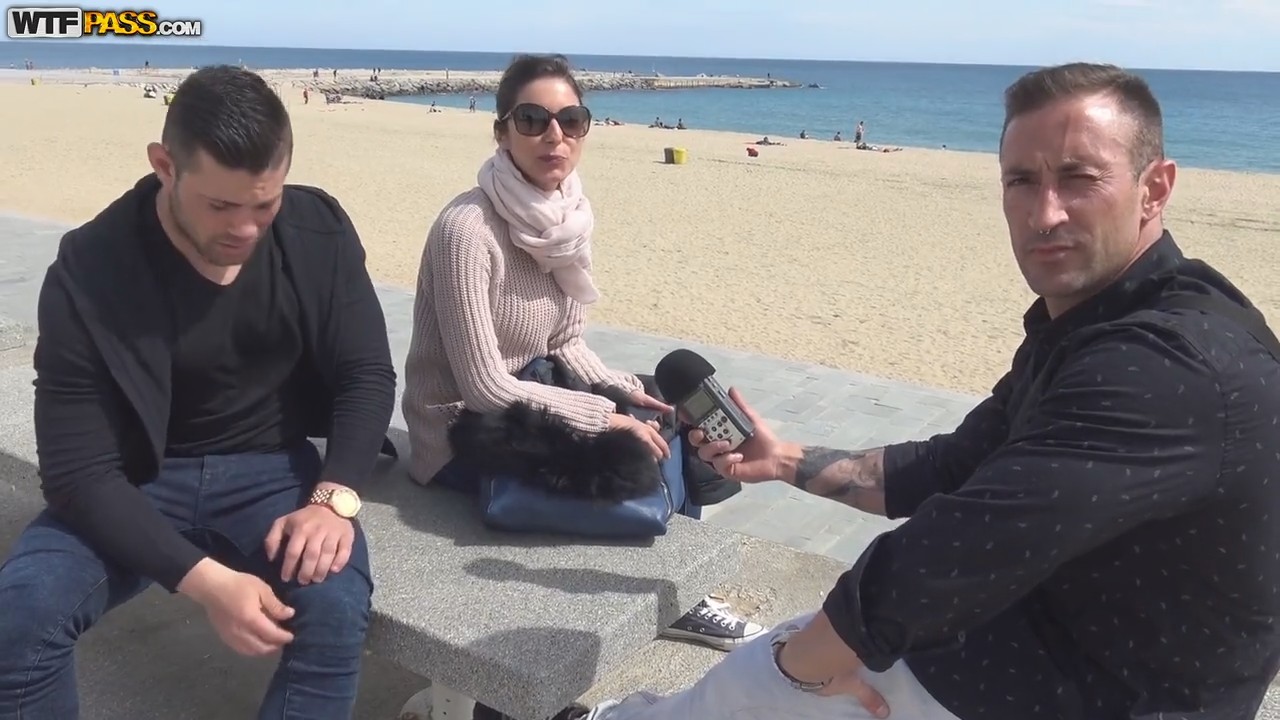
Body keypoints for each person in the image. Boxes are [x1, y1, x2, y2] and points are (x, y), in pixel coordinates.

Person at [584, 61, 1280, 719]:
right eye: (1021, 180)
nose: (1045, 213)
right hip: (1050, 637)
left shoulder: (1166, 365)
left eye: (1079, 178)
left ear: (1155, 188)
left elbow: (953, 553)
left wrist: (798, 670)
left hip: (1094, 691)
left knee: (752, 679)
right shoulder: (1098, 320)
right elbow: (954, 464)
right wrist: (785, 459)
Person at [0, 65, 397, 718]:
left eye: (264, 204)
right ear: (165, 166)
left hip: (273, 470)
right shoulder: (90, 268)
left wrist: (334, 498)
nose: (247, 228)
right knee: (21, 620)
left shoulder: (315, 229)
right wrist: (210, 584)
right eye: (221, 206)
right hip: (136, 476)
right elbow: (76, 473)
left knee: (334, 609)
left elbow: (367, 372)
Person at [400, 53, 762, 662]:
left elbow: (565, 342)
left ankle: (679, 575)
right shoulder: (467, 230)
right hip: (465, 429)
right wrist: (605, 418)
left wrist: (623, 391)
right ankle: (679, 592)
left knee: (663, 411)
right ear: (501, 130)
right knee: (631, 451)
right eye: (532, 119)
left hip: (531, 390)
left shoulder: (565, 216)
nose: (554, 136)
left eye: (571, 120)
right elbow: (484, 387)